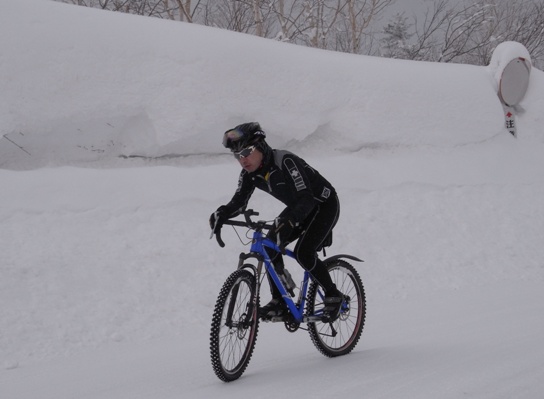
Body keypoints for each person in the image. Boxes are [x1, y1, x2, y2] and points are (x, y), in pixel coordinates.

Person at [209, 122, 344, 322]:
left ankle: (334, 295)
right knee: (271, 245)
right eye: (237, 155)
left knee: (303, 253)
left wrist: (288, 222)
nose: (242, 159)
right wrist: (222, 213)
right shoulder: (250, 174)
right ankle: (280, 300)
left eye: (247, 151)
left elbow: (306, 198)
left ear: (261, 145)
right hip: (299, 207)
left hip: (324, 205)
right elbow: (239, 202)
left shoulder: (285, 161)